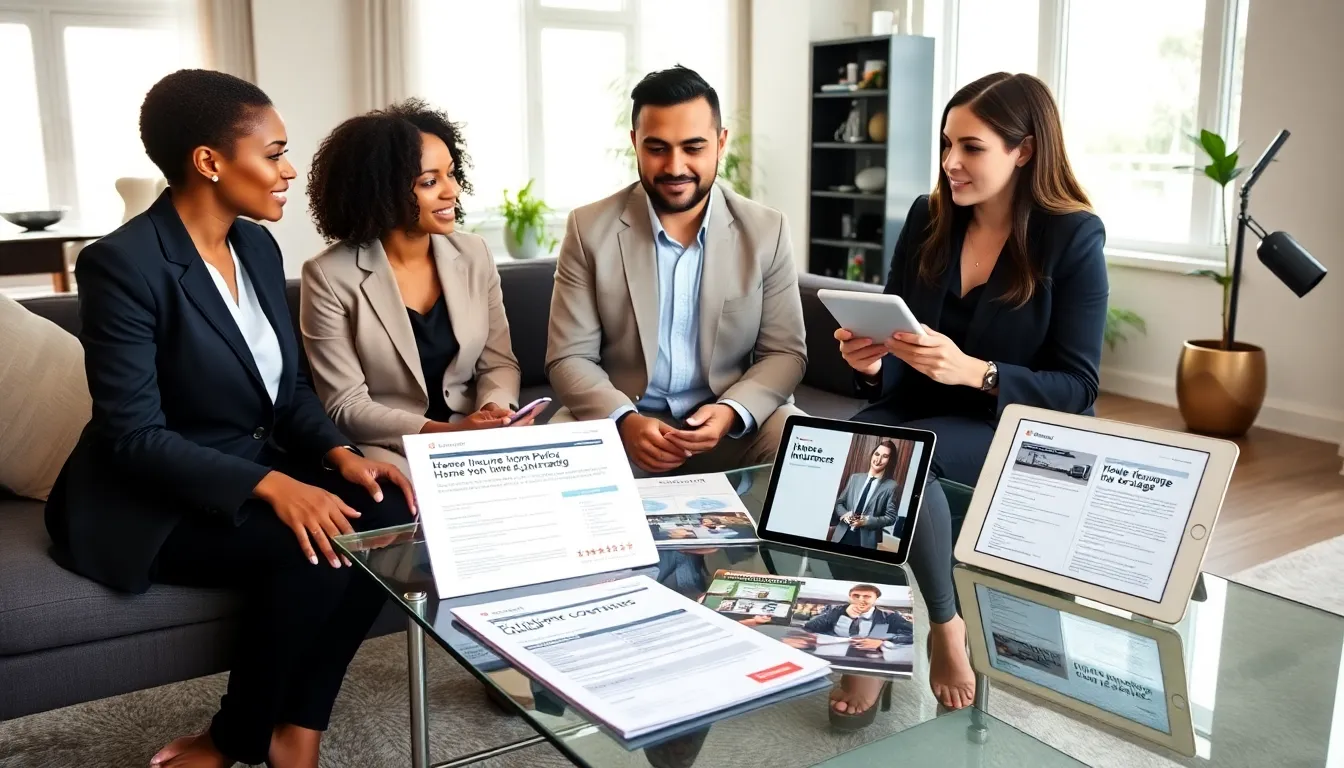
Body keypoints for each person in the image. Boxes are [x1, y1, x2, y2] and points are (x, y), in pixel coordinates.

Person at [43, 69, 417, 768]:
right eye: (274, 153)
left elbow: (290, 389)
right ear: (209, 162)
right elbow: (133, 436)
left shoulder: (257, 246)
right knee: (318, 548)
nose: (289, 170)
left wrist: (340, 456)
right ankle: (233, 738)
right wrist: (275, 486)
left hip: (248, 461)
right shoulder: (121, 265)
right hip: (153, 495)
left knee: (389, 511)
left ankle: (297, 729)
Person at [835, 72, 1107, 713]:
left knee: (908, 458)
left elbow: (1078, 386)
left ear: (1025, 150)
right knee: (844, 454)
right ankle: (876, 637)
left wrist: (978, 372)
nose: (950, 162)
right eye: (946, 144)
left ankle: (945, 623)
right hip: (921, 406)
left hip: (1014, 421)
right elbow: (897, 338)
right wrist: (869, 364)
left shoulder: (1072, 236)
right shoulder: (928, 217)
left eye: (971, 147)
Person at [545, 65, 807, 476]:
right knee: (556, 454)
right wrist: (624, 421)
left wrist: (731, 411)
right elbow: (569, 356)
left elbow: (785, 353)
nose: (675, 166)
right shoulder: (588, 229)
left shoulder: (766, 230)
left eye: (693, 147)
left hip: (728, 427)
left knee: (800, 443)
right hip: (624, 425)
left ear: (721, 143)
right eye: (657, 148)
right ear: (635, 143)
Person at [300, 99, 528, 475]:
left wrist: (493, 411)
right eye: (430, 182)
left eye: (451, 174)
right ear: (382, 191)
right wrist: (444, 436)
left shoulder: (474, 253)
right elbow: (346, 405)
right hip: (393, 445)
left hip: (476, 432)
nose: (452, 191)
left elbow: (499, 362)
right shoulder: (328, 275)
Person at [828, 441, 899, 548]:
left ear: (890, 460)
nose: (878, 459)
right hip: (841, 536)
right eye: (877, 454)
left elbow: (891, 517)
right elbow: (839, 503)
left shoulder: (891, 486)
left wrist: (867, 521)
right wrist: (845, 514)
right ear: (872, 455)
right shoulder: (855, 478)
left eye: (885, 456)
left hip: (865, 542)